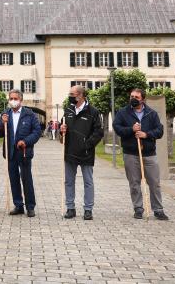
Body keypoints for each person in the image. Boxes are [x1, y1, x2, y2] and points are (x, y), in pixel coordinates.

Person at [113, 88, 168, 220]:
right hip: (131, 153)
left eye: (136, 97)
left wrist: (146, 134)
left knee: (154, 182)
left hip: (149, 153)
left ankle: (158, 209)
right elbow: (117, 128)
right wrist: (131, 129)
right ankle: (138, 208)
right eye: (131, 96)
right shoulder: (122, 112)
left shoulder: (151, 113)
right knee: (134, 182)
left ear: (142, 99)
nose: (133, 99)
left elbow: (159, 131)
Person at [60, 85, 104, 220]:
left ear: (80, 95)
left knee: (88, 181)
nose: (70, 96)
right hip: (70, 152)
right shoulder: (68, 110)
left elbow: (98, 132)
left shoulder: (93, 111)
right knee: (68, 181)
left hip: (86, 153)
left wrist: (87, 145)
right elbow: (62, 134)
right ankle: (70, 208)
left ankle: (88, 209)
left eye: (72, 94)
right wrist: (62, 131)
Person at [0, 89, 41, 217]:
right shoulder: (6, 113)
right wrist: (1, 123)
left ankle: (30, 206)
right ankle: (18, 205)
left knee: (26, 179)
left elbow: (37, 132)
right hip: (10, 152)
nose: (13, 101)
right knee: (13, 179)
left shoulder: (29, 114)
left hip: (24, 152)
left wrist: (25, 141)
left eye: (15, 98)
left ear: (21, 100)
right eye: (11, 98)